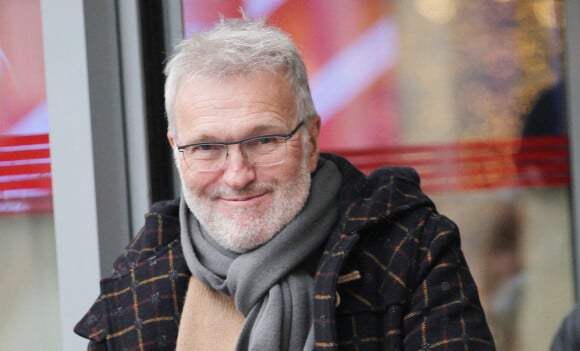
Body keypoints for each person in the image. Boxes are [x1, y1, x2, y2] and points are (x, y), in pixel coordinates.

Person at [74, 18, 496, 350]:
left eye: (264, 140)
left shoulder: (410, 251)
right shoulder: (139, 282)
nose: (237, 175)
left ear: (311, 140)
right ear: (176, 149)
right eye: (206, 147)